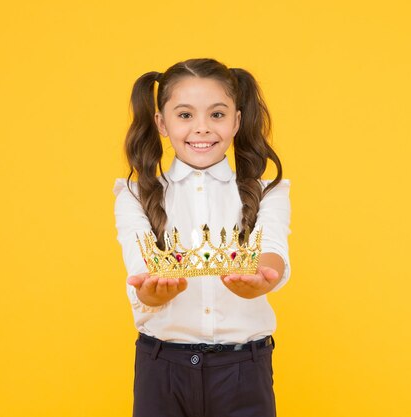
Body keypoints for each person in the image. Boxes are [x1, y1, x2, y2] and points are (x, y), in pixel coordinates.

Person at [113, 57, 291, 417]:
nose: (202, 128)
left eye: (217, 114)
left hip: (245, 371)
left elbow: (272, 250)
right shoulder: (133, 194)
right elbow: (140, 270)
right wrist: (149, 291)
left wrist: (261, 278)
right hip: (162, 370)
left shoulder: (268, 190)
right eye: (184, 115)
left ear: (237, 121)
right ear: (161, 123)